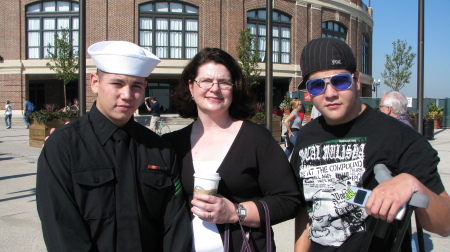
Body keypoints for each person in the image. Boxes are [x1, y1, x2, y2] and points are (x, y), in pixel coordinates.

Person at [292, 38, 450, 251]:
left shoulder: (399, 136)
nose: (330, 93)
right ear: (308, 93)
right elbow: (306, 208)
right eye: (317, 85)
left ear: (356, 80)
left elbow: (445, 225)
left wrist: (413, 184)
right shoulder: (306, 136)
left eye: (340, 81)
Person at [36, 41, 191, 251]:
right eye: (117, 83)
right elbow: (62, 229)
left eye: (136, 85)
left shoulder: (159, 149)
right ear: (94, 83)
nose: (127, 95)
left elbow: (175, 225)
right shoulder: (64, 147)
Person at [162, 48, 302, 251]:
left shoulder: (256, 139)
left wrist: (236, 212)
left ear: (234, 89)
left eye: (224, 82)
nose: (215, 88)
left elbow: (289, 200)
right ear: (191, 87)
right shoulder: (172, 144)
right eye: (206, 81)